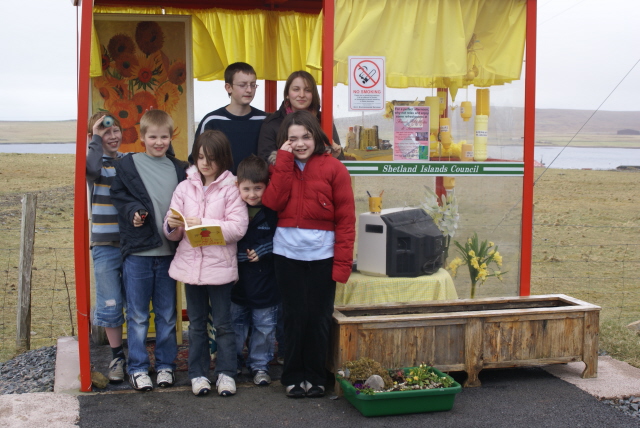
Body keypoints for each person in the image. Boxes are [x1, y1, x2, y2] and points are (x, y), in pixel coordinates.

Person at [262, 110, 356, 398]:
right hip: (287, 254)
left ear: (316, 136)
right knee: (293, 317)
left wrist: (341, 265)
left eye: (305, 137)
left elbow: (346, 219)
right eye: (293, 139)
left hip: (322, 255)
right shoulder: (280, 166)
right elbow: (273, 202)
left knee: (317, 317)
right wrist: (285, 162)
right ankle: (292, 376)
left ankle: (315, 377)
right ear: (285, 142)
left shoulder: (334, 169)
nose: (300, 143)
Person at [164, 130, 248, 397]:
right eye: (200, 157)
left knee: (224, 324)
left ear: (223, 158)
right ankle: (198, 375)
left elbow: (238, 228)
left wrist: (204, 225)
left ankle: (226, 373)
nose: (205, 163)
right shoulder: (184, 187)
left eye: (211, 158)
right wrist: (172, 225)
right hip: (192, 268)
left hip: (220, 268)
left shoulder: (231, 188)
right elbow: (173, 227)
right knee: (197, 324)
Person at [110, 110, 188, 392]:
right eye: (152, 137)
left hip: (170, 254)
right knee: (138, 315)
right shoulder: (127, 166)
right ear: (142, 137)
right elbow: (121, 197)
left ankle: (166, 366)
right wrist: (133, 212)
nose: (158, 142)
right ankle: (139, 368)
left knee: (167, 315)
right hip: (138, 255)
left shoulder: (180, 169)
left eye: (164, 137)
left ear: (171, 137)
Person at [230, 155, 279, 386]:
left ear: (267, 186)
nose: (252, 194)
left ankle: (260, 365)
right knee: (236, 325)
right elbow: (226, 239)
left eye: (258, 188)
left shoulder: (272, 212)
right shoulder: (231, 209)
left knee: (264, 327)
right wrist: (239, 255)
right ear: (237, 186)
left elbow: (282, 239)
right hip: (237, 284)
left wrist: (264, 249)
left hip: (266, 284)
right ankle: (235, 362)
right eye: (246, 188)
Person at [86, 111, 127, 383]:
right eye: (105, 132)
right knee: (110, 302)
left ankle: (135, 354)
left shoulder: (127, 161)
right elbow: (89, 170)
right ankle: (117, 356)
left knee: (135, 302)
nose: (112, 136)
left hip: (131, 244)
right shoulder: (95, 162)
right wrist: (95, 139)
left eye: (115, 131)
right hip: (104, 244)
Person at [194, 62, 267, 173]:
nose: (249, 90)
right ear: (228, 87)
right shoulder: (212, 121)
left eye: (253, 85)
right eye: (242, 85)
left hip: (255, 188)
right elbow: (197, 160)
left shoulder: (265, 120)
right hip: (220, 188)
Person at [257, 70, 343, 162]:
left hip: (320, 176)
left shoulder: (324, 120)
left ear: (313, 95)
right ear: (287, 94)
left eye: (307, 90)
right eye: (296, 89)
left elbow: (340, 158)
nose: (301, 95)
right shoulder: (271, 123)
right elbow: (265, 163)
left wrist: (335, 155)